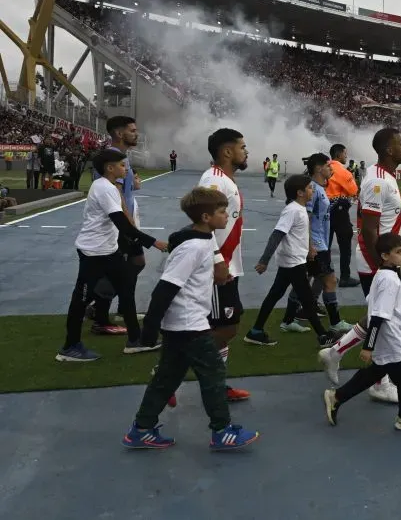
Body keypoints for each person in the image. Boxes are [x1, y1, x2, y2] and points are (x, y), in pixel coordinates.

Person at [123, 187, 260, 451]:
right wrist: (149, 329)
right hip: (188, 324)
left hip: (183, 324)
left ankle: (141, 428)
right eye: (222, 213)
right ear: (207, 217)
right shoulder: (193, 247)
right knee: (213, 373)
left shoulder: (204, 240)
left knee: (167, 378)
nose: (226, 216)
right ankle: (222, 431)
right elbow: (165, 289)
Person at [317, 127, 401, 404]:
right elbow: (369, 230)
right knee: (385, 319)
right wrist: (384, 266)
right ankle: (379, 383)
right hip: (376, 261)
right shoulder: (377, 181)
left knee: (376, 316)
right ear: (388, 150)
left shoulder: (386, 178)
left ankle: (335, 353)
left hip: (382, 258)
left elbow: (385, 224)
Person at [57, 148, 167, 362]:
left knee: (126, 291)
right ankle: (70, 347)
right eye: (122, 165)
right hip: (93, 253)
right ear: (110, 168)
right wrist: (153, 242)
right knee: (80, 299)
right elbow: (123, 225)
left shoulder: (107, 187)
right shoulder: (105, 188)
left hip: (109, 251)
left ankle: (136, 341)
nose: (126, 169)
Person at [323, 232, 401, 431]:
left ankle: (336, 397)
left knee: (375, 373)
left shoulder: (383, 275)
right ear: (384, 256)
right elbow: (379, 316)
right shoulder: (389, 280)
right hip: (391, 339)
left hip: (387, 337)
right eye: (398, 252)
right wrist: (368, 346)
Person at [245, 174, 335, 348]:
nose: (312, 190)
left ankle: (255, 331)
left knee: (275, 295)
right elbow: (277, 235)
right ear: (300, 192)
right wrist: (264, 261)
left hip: (293, 260)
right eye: (309, 188)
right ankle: (323, 336)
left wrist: (309, 250)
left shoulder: (299, 209)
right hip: (293, 263)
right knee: (307, 299)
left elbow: (298, 234)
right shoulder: (293, 210)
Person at [198, 128, 251, 403]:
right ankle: (171, 368)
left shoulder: (225, 180)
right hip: (219, 268)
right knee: (226, 328)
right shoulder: (215, 181)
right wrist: (219, 262)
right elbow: (203, 224)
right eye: (242, 147)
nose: (246, 151)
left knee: (223, 327)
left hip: (229, 265)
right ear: (227, 151)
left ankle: (218, 384)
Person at [87, 116, 145, 334]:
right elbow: (117, 193)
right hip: (119, 225)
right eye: (132, 130)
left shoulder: (121, 158)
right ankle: (99, 312)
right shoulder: (114, 159)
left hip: (123, 223)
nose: (136, 134)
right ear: (120, 134)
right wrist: (130, 225)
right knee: (121, 268)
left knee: (135, 263)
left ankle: (118, 307)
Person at [280, 153, 350, 333]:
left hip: (317, 243)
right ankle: (335, 322)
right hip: (317, 245)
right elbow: (307, 218)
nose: (331, 168)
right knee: (330, 281)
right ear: (319, 168)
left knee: (303, 282)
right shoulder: (313, 189)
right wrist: (310, 245)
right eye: (328, 165)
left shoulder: (318, 188)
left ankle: (288, 320)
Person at [326, 143, 360, 288]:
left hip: (324, 211)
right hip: (339, 211)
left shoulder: (324, 167)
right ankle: (345, 277)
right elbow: (353, 190)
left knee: (324, 246)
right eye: (345, 154)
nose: (346, 156)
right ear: (339, 155)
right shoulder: (342, 171)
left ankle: (325, 275)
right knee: (345, 246)